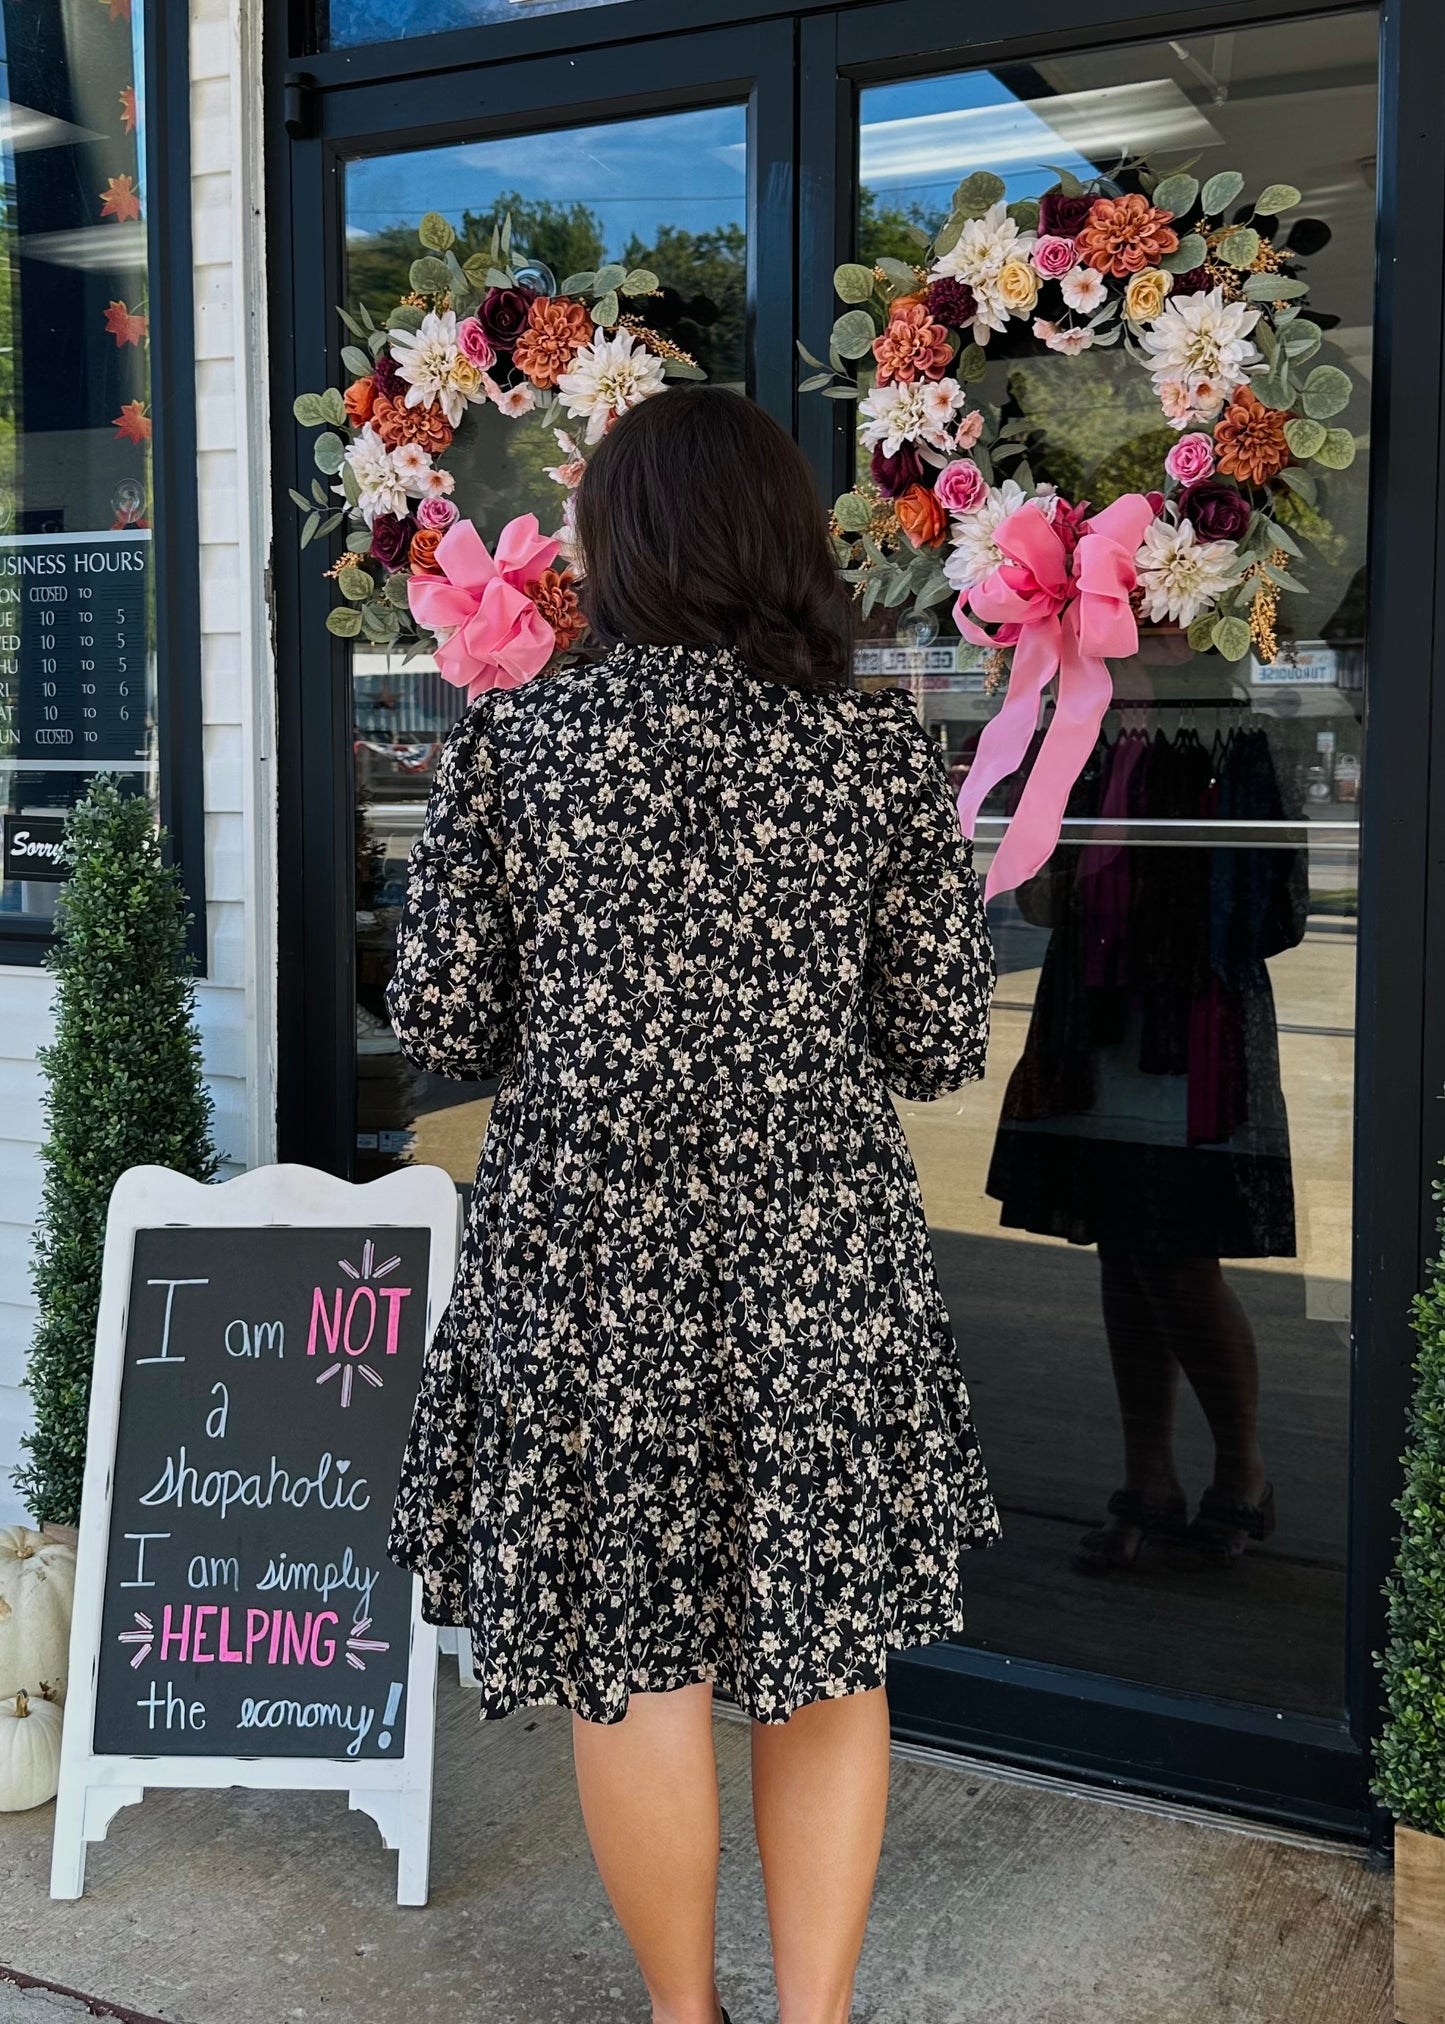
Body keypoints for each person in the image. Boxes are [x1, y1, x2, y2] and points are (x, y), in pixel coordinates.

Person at [386, 386, 998, 2024]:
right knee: (825, 1649)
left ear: (619, 551)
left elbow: (440, 1025)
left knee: (631, 1645)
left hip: (586, 1249)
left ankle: (684, 2019)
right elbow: (940, 1040)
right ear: (784, 541)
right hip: (816, 1240)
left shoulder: (518, 744)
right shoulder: (875, 749)